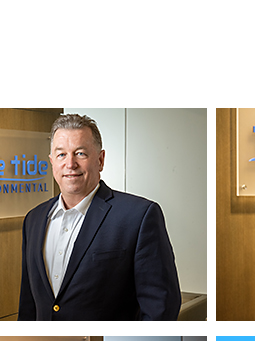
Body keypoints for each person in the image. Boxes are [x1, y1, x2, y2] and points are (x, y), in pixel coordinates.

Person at [19, 114, 181, 320]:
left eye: (80, 153)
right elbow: (28, 306)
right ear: (52, 162)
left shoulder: (139, 216)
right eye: (61, 155)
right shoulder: (34, 219)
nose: (70, 163)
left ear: (100, 160)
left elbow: (161, 309)